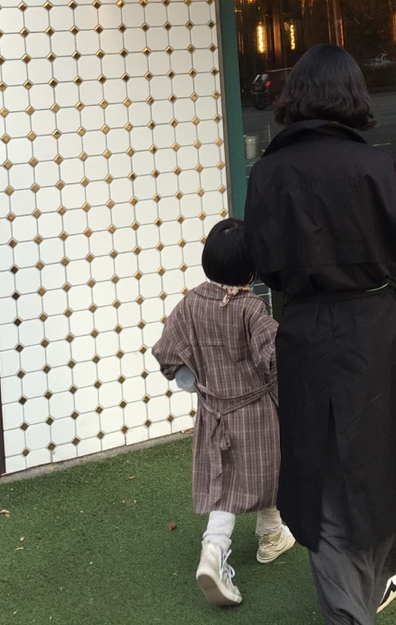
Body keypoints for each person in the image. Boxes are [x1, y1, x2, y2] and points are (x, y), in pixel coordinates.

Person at [244, 44, 396, 624]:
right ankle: (359, 599)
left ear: (295, 96)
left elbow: (263, 260)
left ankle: (358, 595)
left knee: (325, 472)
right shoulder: (376, 164)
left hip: (306, 328)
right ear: (354, 95)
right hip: (375, 327)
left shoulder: (269, 172)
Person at [151, 217, 295, 607]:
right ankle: (216, 551)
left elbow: (166, 353)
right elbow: (276, 360)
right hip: (257, 413)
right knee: (256, 477)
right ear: (252, 267)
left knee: (229, 481)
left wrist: (195, 381)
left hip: (213, 412)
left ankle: (263, 535)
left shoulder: (191, 302)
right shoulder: (252, 309)